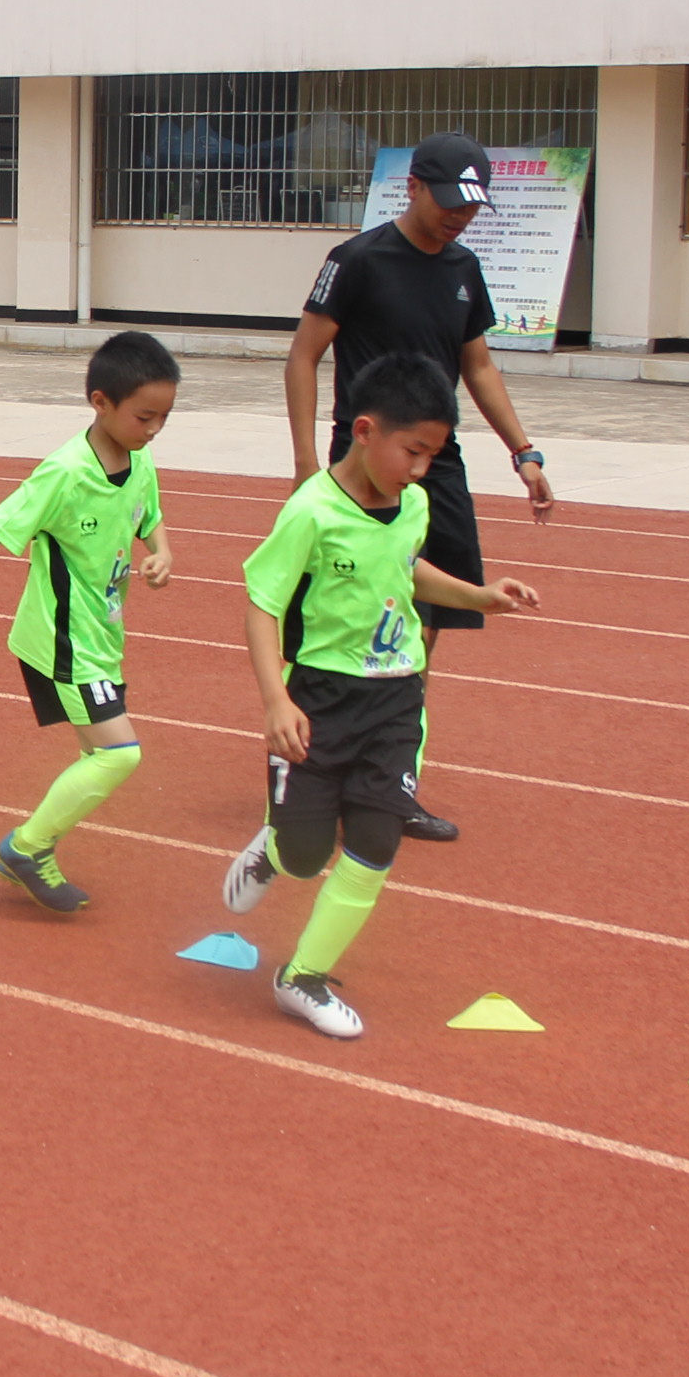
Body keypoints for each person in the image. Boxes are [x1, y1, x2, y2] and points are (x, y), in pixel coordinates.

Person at [226, 353, 543, 1039]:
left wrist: (477, 595)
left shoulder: (415, 503)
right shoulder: (310, 511)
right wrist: (277, 701)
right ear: (365, 431)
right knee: (308, 853)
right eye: (413, 452)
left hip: (397, 698)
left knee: (375, 839)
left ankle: (301, 978)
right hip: (321, 698)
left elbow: (406, 572)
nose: (421, 469)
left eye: (433, 454)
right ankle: (274, 850)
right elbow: (261, 605)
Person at [282, 131, 558, 843]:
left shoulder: (464, 268)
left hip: (439, 465)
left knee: (423, 622)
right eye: (448, 202)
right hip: (363, 459)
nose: (458, 218)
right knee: (338, 611)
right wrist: (307, 461)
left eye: (470, 207)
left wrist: (524, 451)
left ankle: (389, 776)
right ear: (415, 188)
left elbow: (480, 366)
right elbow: (304, 355)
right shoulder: (358, 261)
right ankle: (316, 754)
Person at [0, 331, 180, 914]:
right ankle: (26, 847)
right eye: (144, 416)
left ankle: (36, 849)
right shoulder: (62, 473)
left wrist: (160, 551)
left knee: (99, 755)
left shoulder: (138, 460)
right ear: (100, 402)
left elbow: (149, 518)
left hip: (101, 636)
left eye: (164, 417)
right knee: (120, 754)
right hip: (61, 642)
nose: (154, 428)